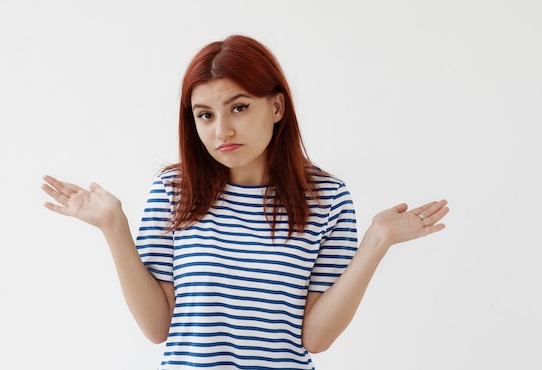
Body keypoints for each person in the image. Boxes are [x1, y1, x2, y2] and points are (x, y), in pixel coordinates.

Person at [41, 35, 449, 370]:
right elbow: (157, 327)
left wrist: (376, 242)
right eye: (205, 115)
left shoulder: (327, 199)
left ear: (276, 107)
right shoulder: (174, 191)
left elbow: (316, 338)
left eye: (239, 107)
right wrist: (114, 226)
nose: (223, 130)